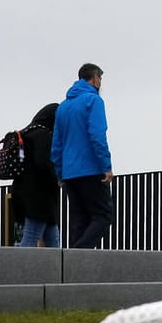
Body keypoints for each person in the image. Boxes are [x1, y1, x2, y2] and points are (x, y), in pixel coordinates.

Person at [52, 63, 114, 249]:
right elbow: (97, 135)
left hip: (70, 173)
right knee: (103, 216)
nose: (100, 83)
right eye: (100, 79)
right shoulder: (93, 101)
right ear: (95, 79)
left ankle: (71, 265)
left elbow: (56, 144)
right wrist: (106, 166)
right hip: (91, 169)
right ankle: (79, 255)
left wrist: (60, 173)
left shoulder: (63, 107)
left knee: (79, 219)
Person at [12, 103, 62, 247]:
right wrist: (56, 178)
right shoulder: (43, 134)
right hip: (39, 198)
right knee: (31, 237)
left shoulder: (26, 133)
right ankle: (20, 269)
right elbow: (42, 163)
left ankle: (56, 269)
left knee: (53, 239)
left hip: (23, 193)